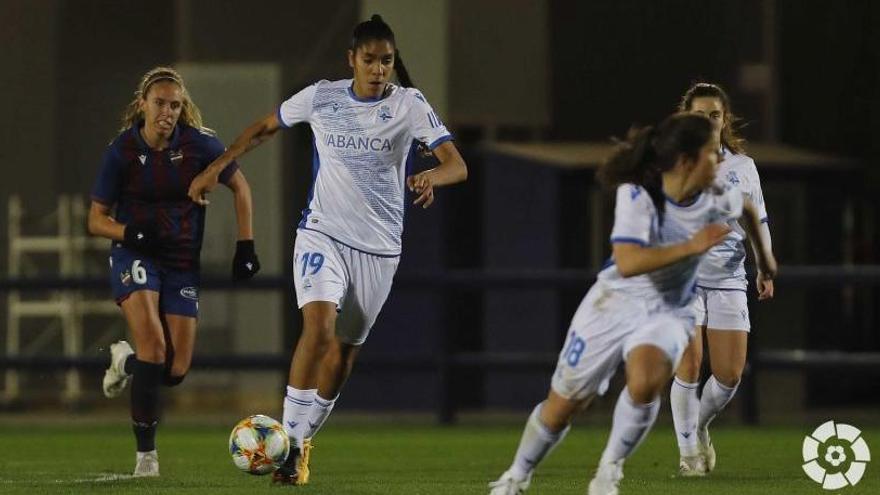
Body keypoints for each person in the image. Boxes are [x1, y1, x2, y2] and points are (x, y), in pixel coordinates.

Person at [186, 15, 468, 485]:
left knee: (343, 355)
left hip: (379, 250)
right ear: (351, 60)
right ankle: (287, 449)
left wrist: (429, 176)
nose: (378, 69)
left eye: (386, 61)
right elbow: (263, 127)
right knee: (318, 327)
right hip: (323, 234)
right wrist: (217, 167)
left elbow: (456, 165)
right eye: (370, 60)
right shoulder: (322, 96)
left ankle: (301, 441)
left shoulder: (409, 105)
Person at [488, 113, 777, 495]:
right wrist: (691, 246)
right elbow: (627, 262)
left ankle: (609, 470)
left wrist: (766, 262)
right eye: (711, 153)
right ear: (688, 160)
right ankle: (517, 475)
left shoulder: (717, 195)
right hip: (615, 302)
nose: (720, 161)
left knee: (644, 384)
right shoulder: (640, 194)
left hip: (673, 309)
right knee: (565, 405)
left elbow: (749, 211)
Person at [88, 66, 260, 477]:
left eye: (175, 105)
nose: (167, 111)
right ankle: (146, 457)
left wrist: (246, 245)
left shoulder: (200, 145)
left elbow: (241, 187)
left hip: (182, 262)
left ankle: (123, 361)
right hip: (136, 255)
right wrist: (130, 232)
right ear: (142, 104)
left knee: (175, 370)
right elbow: (95, 220)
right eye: (160, 103)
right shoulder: (122, 151)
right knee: (155, 348)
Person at [669, 82, 774, 476]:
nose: (708, 121)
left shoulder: (743, 167)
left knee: (729, 375)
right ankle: (688, 455)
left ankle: (698, 427)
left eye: (714, 114)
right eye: (699, 115)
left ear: (724, 118)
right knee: (690, 362)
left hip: (729, 276)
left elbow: (758, 219)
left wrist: (764, 266)